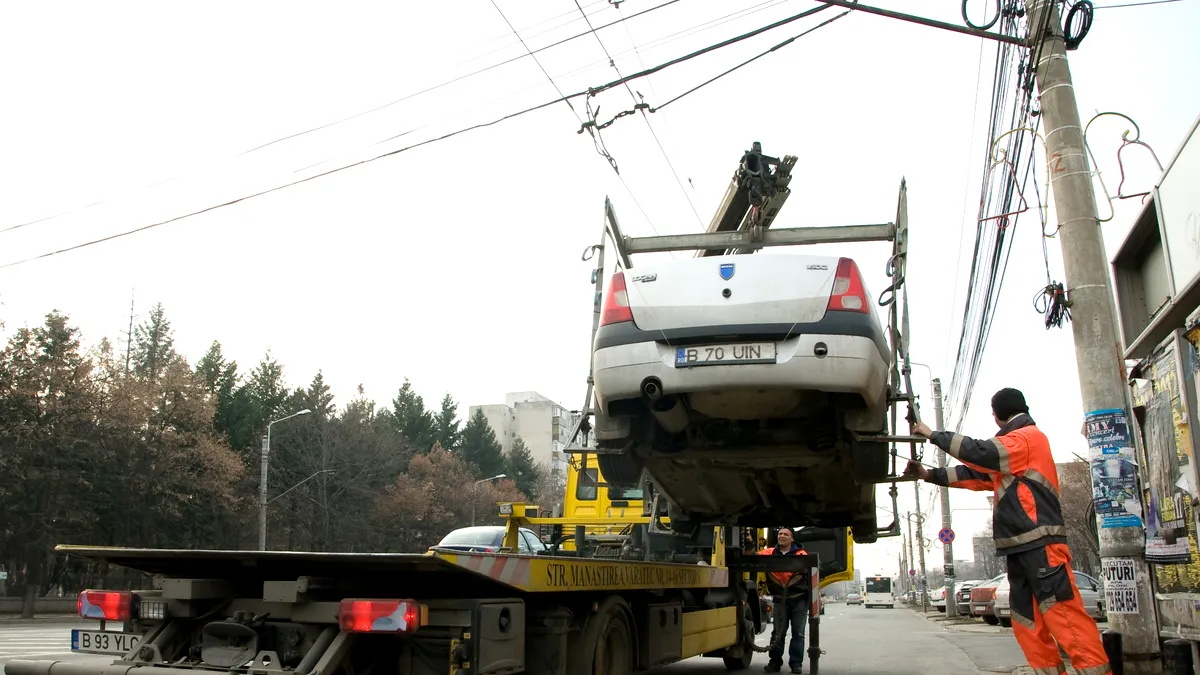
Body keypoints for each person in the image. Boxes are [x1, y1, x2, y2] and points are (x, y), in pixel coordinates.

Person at [905, 387, 1111, 675]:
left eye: (993, 414)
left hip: (1040, 544)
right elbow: (976, 475)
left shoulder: (1026, 439)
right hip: (1022, 547)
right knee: (1028, 623)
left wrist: (932, 434)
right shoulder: (1015, 449)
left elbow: (981, 453)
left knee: (1065, 618)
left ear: (998, 415)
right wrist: (929, 475)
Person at [758, 527, 809, 674]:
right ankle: (774, 662)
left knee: (798, 633)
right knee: (777, 633)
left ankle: (796, 664)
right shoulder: (769, 553)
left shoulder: (801, 555)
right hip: (780, 600)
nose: (782, 536)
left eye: (785, 534)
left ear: (792, 539)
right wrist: (748, 544)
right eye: (780, 534)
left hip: (799, 600)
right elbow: (751, 556)